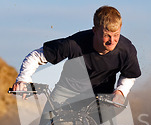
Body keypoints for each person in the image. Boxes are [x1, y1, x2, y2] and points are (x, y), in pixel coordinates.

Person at [11, 6, 141, 107]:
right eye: (106, 35)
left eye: (116, 35)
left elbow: (129, 74)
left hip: (102, 98)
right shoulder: (74, 44)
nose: (112, 41)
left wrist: (120, 91)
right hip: (66, 94)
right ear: (94, 30)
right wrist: (24, 79)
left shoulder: (126, 50)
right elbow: (36, 56)